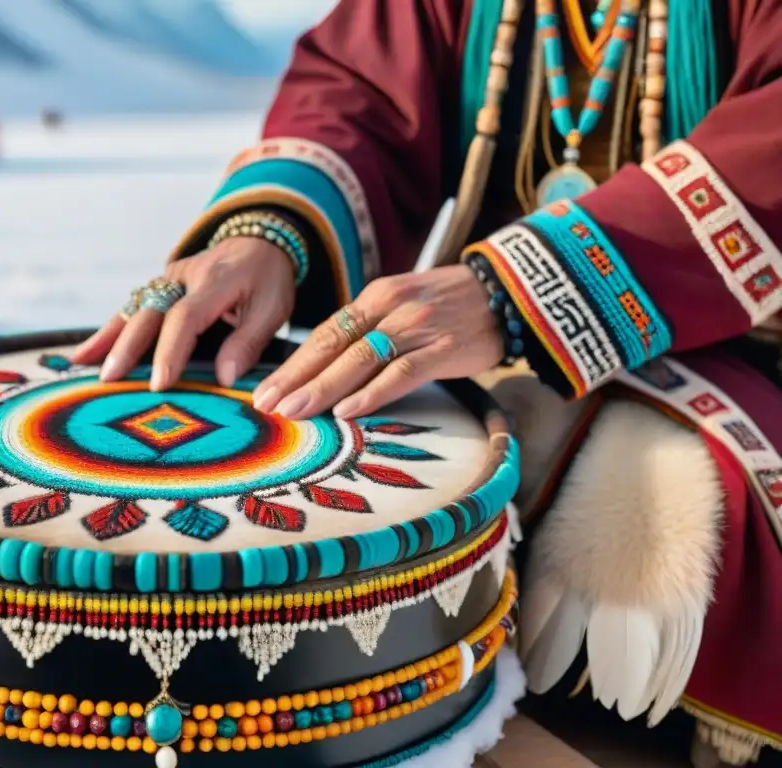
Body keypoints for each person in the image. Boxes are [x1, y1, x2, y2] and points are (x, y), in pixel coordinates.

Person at [74, 1, 782, 764]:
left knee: (649, 534)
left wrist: (516, 293)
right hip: (473, 346)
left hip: (743, 345)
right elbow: (363, 87)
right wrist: (271, 233)